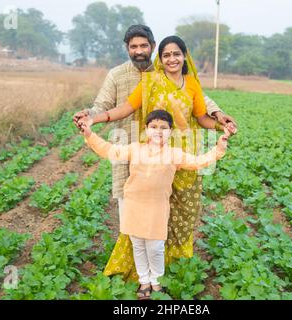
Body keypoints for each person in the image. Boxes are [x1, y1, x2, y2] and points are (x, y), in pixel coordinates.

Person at [77, 34, 237, 285]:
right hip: (151, 154)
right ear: (160, 59)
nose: (172, 58)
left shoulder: (192, 83)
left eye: (176, 54)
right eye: (166, 55)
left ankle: (170, 262)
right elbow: (125, 108)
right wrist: (92, 120)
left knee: (184, 210)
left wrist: (221, 125)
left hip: (182, 154)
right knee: (147, 206)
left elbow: (202, 117)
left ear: (184, 56)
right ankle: (141, 271)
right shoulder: (150, 81)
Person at [79, 110, 231, 299]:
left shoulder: (174, 154)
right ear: (146, 129)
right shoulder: (135, 149)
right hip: (133, 204)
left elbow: (198, 162)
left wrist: (219, 148)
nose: (158, 131)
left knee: (155, 247)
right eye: (153, 127)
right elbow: (111, 151)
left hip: (157, 207)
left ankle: (156, 282)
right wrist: (89, 135)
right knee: (138, 245)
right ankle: (144, 281)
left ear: (170, 131)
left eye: (163, 128)